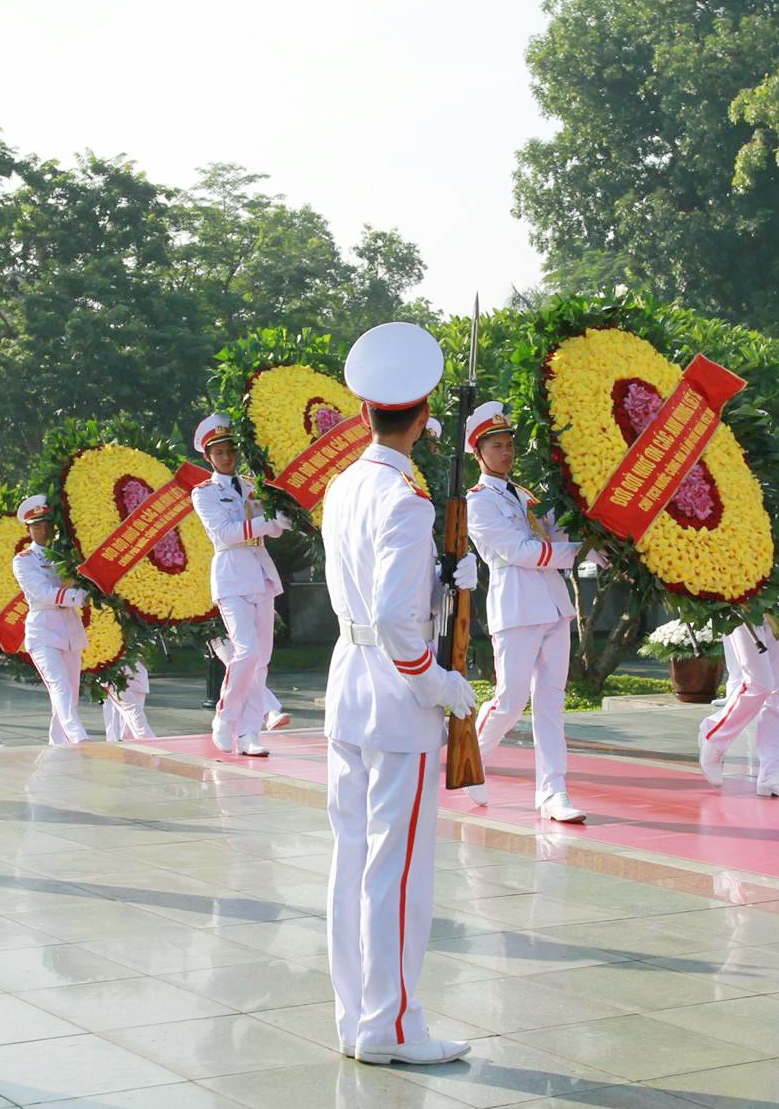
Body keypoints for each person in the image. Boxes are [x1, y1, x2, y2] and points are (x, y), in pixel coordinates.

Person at [322, 321, 478, 1066]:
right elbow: (393, 619)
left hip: (346, 687)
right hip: (395, 698)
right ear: (423, 418)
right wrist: (439, 683)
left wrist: (447, 585)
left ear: (363, 414)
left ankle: (356, 1016)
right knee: (398, 869)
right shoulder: (408, 498)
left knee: (351, 861)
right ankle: (391, 1027)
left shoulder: (345, 483)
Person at [459, 401, 586, 822]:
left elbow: (555, 535)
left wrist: (594, 540)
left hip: (552, 605)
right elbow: (519, 551)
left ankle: (554, 791)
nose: (506, 453)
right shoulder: (479, 502)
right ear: (478, 454)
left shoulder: (526, 495)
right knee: (510, 701)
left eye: (509, 444)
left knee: (550, 701)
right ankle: (469, 761)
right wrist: (577, 551)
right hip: (515, 607)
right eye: (496, 446)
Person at [190, 413, 291, 757]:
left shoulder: (251, 485)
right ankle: (225, 717)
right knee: (245, 650)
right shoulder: (203, 493)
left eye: (231, 450)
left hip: (261, 572)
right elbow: (224, 533)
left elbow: (273, 530)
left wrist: (281, 519)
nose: (227, 457)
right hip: (231, 574)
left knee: (261, 659)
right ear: (208, 457)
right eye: (219, 452)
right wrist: (266, 522)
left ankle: (248, 734)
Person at [699, 613, 779, 799]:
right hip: (739, 602)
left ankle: (773, 771)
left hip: (777, 595)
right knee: (758, 683)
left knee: (774, 690)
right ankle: (714, 733)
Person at [9, 495, 90, 745]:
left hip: (69, 630)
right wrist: (80, 596)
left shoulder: (66, 555)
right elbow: (42, 593)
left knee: (70, 694)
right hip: (43, 630)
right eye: (36, 525)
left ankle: (59, 744)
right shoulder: (24, 560)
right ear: (28, 529)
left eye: (46, 524)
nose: (42, 529)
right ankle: (79, 738)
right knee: (60, 687)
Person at [102, 662, 158, 742]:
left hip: (134, 680)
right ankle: (154, 745)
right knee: (121, 728)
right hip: (116, 679)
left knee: (130, 728)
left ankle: (153, 745)